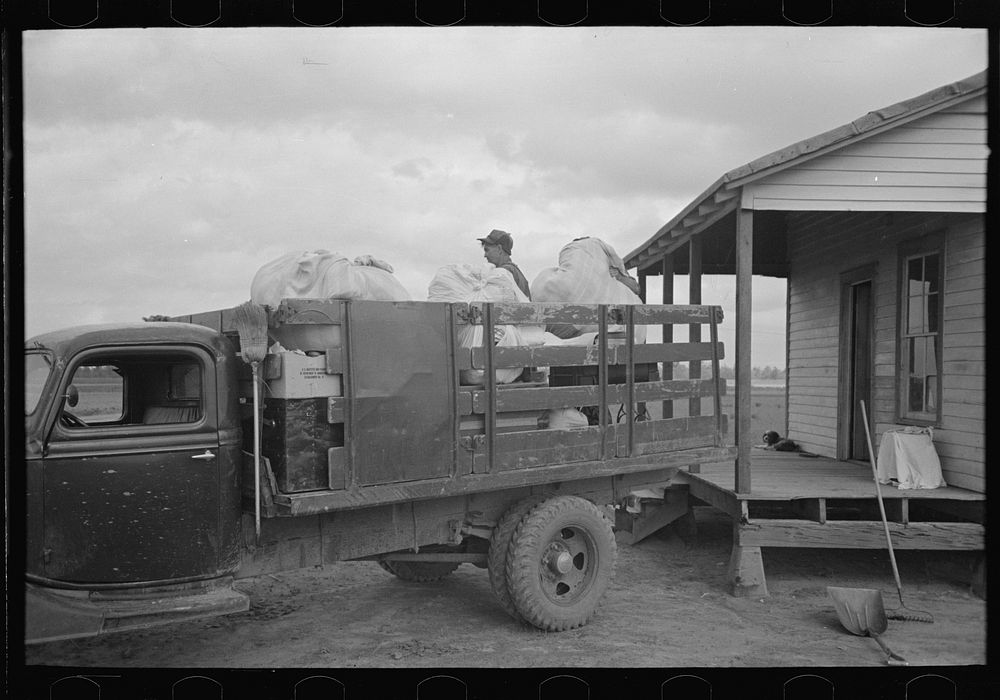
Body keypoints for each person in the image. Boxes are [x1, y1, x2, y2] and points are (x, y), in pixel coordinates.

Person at [478, 229, 531, 299]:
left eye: (487, 250)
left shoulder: (503, 273)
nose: (485, 255)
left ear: (499, 249)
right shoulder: (514, 271)